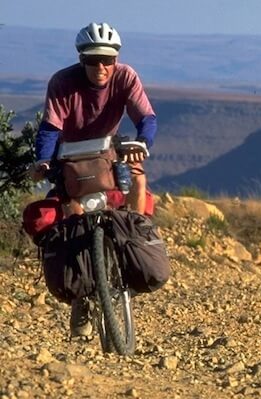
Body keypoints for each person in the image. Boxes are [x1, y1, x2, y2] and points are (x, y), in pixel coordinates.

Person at [31, 22, 158, 337]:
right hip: (70, 157)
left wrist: (143, 142)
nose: (100, 66)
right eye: (91, 60)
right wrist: (44, 161)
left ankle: (136, 243)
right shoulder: (63, 82)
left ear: (116, 58)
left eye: (107, 59)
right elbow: (50, 127)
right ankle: (82, 297)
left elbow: (146, 117)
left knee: (138, 180)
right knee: (73, 214)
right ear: (81, 59)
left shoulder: (125, 77)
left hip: (108, 153)